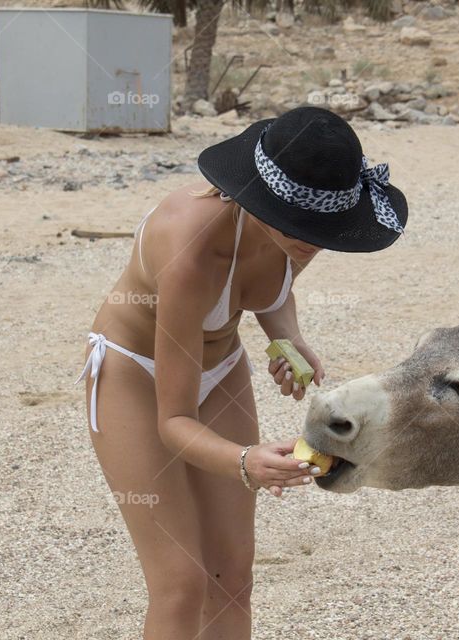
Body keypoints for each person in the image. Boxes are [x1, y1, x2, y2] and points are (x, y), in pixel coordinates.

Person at [78, 106, 408, 639]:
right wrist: (244, 462)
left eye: (325, 229)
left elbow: (270, 285)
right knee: (181, 583)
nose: (315, 241)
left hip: (222, 361)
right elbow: (175, 421)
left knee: (231, 578)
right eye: (303, 226)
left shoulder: (302, 227)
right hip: (136, 372)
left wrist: (288, 336)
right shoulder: (192, 252)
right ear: (262, 198)